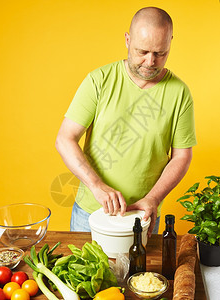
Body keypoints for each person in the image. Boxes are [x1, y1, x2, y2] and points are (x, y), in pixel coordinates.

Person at [55, 7, 196, 237]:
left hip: (143, 216)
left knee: (140, 274)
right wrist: (97, 186)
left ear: (170, 42)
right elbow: (65, 139)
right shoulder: (98, 80)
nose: (150, 61)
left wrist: (153, 198)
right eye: (143, 51)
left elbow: (182, 156)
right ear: (128, 40)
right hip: (90, 213)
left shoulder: (179, 93)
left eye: (160, 53)